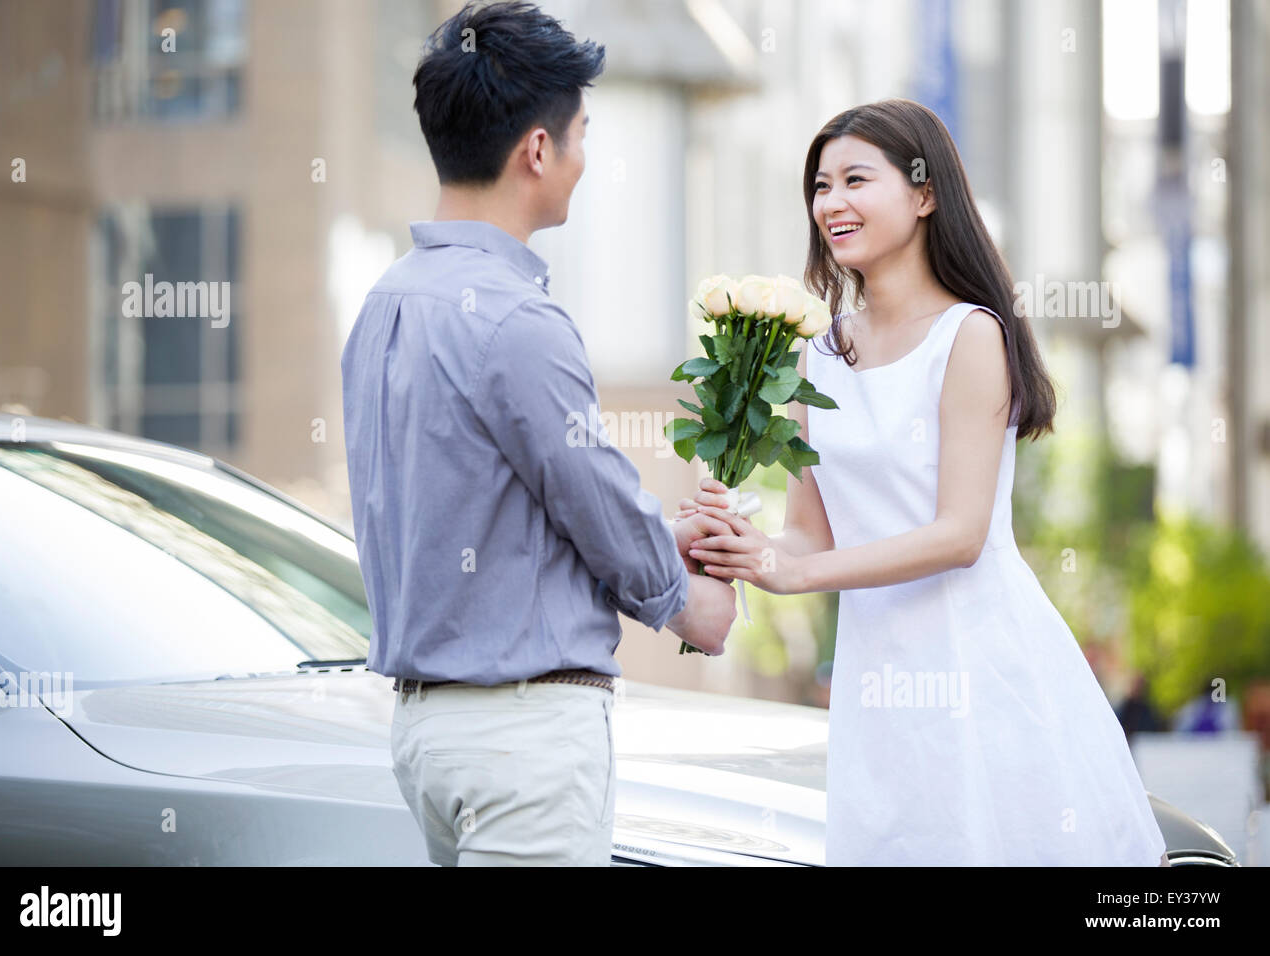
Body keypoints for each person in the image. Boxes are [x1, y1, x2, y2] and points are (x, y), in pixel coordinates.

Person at [683, 99, 1170, 866]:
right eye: (820, 186)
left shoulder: (970, 335)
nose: (831, 203)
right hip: (876, 679)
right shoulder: (818, 354)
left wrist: (796, 572)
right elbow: (811, 531)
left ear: (924, 193)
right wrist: (743, 542)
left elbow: (960, 534)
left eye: (854, 179)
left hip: (981, 664)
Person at [340, 0, 737, 867]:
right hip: (522, 742)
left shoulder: (382, 307)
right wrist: (686, 598)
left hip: (425, 736)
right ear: (537, 150)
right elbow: (591, 493)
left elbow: (471, 518)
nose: (586, 160)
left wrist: (661, 539)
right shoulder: (516, 318)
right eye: (582, 135)